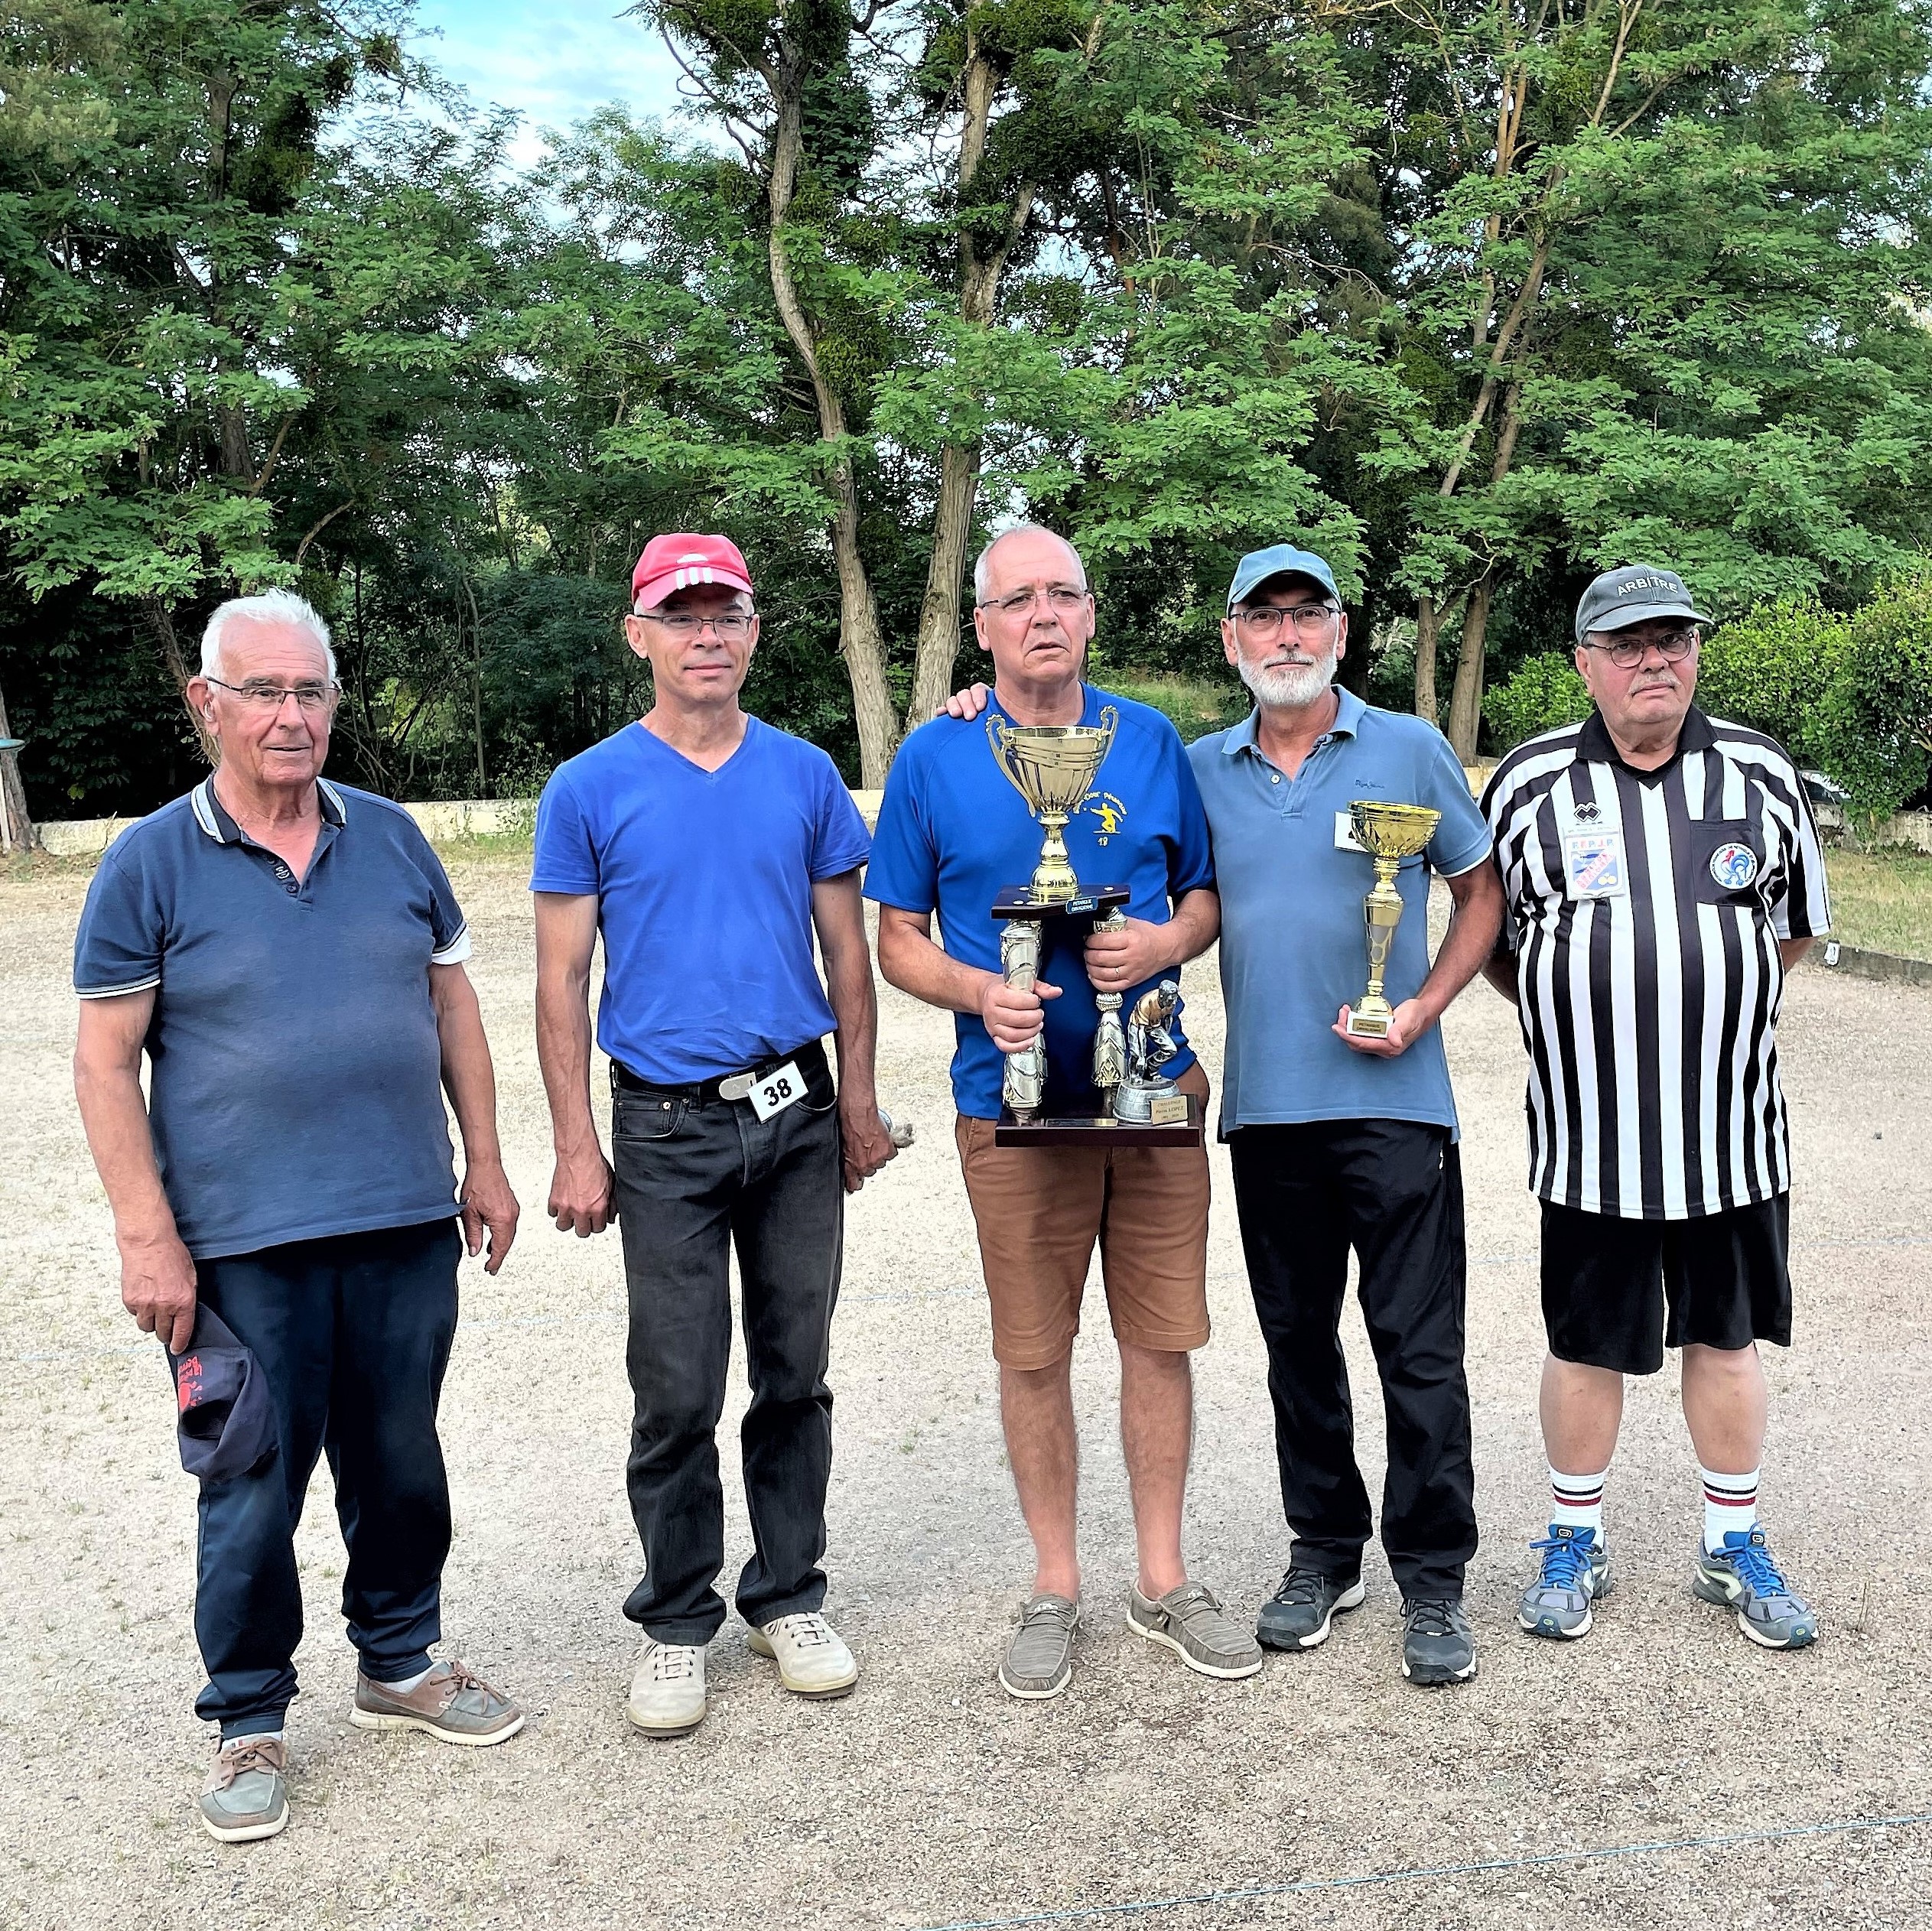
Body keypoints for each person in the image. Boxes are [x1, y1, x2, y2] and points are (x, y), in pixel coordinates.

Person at [71, 590, 523, 1845]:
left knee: (400, 1457)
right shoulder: (150, 859)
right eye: (261, 691)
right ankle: (248, 1717)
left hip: (401, 1218)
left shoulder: (390, 839)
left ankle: (400, 1656)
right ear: (204, 704)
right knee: (252, 1482)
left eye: (309, 690)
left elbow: (454, 1007)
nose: (289, 715)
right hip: (236, 1246)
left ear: (334, 701)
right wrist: (144, 1232)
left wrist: (483, 1162)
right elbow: (105, 1060)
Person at [881, 523, 1260, 1701]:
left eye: (1062, 594)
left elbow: (1199, 894)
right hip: (1010, 1109)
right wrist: (977, 988)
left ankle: (1162, 1575)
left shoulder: (1149, 741)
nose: (1042, 614)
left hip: (1150, 1096)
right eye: (1016, 599)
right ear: (982, 625)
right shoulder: (934, 757)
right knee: (1033, 1354)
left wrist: (1162, 938)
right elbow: (895, 935)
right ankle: (1055, 1583)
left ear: (1091, 614)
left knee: (1159, 1338)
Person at [532, 533, 896, 1738]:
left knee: (794, 1368)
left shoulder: (802, 774)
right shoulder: (587, 786)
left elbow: (846, 949)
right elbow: (560, 974)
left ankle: (785, 1592)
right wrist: (576, 1143)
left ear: (751, 630)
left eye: (724, 614)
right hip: (666, 1123)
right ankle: (676, 1616)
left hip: (793, 1114)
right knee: (675, 1383)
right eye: (680, 615)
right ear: (637, 633)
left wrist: (855, 1100)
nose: (705, 636)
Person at [1482, 564, 1829, 1650]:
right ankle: (1571, 1536)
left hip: (1727, 1140)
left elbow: (1796, 929)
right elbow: (1492, 943)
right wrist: (1574, 1002)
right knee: (1584, 1344)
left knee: (1724, 1341)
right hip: (1590, 1144)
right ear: (1584, 662)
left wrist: (1703, 994)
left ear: (1694, 653)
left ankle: (1730, 1544)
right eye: (1626, 644)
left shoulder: (1758, 771)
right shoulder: (1529, 783)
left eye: (1672, 639)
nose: (1653, 661)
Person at [1183, 544, 1503, 1687]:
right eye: (1260, 619)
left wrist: (1419, 1003)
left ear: (1340, 630)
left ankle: (1431, 1573)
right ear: (1230, 640)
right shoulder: (1198, 768)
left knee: (1418, 1348)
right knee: (1296, 1348)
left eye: (1304, 615)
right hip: (1267, 1112)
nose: (1284, 637)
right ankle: (1324, 1550)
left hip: (1397, 1105)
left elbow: (1480, 890)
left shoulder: (1409, 748)